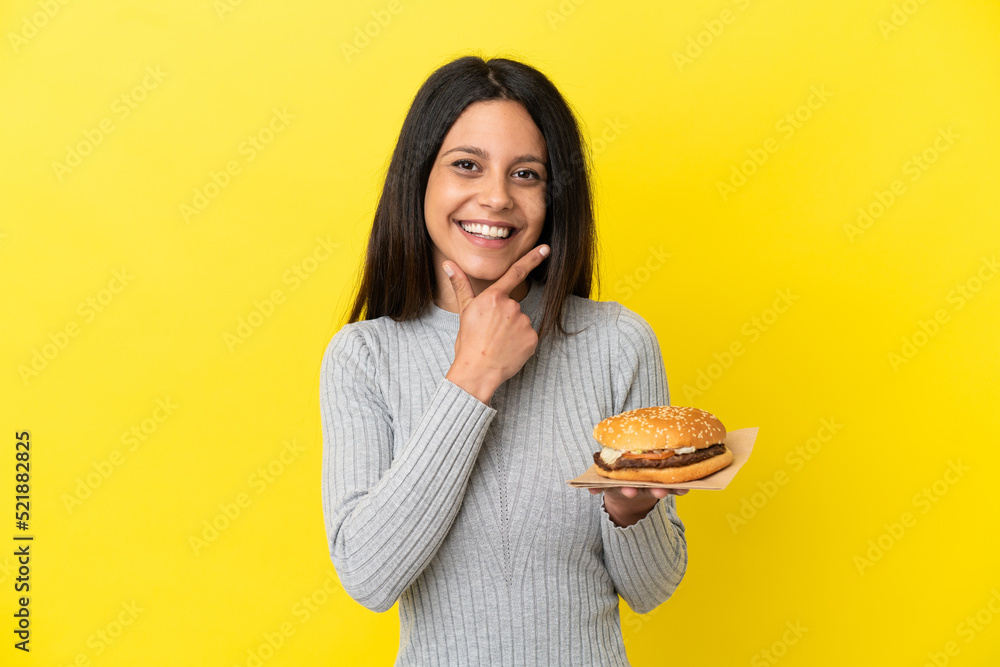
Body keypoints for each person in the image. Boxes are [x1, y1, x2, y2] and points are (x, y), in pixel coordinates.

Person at [320, 54, 687, 666]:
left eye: (526, 174)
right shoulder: (364, 357)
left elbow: (653, 588)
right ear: (421, 180)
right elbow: (368, 576)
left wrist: (632, 509)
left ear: (554, 196)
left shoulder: (618, 342)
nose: (496, 198)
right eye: (467, 165)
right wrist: (473, 375)